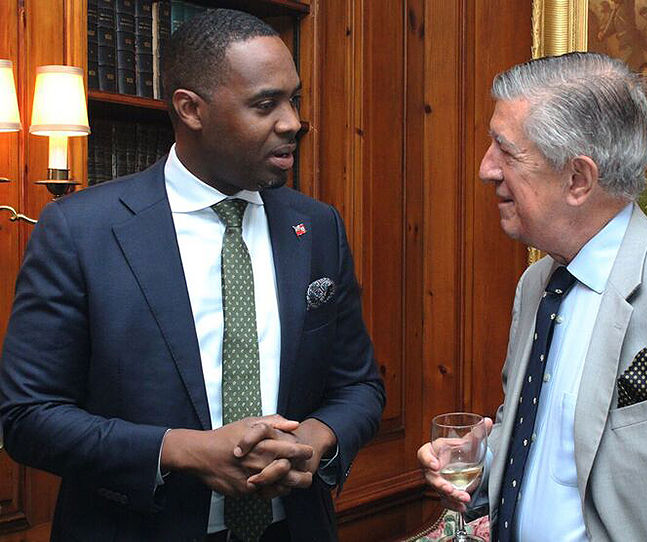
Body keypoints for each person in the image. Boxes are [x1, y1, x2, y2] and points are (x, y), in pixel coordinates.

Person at [0, 9, 385, 542]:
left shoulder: (316, 227)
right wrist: (178, 451)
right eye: (265, 104)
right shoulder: (80, 230)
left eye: (293, 99)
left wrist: (319, 437)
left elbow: (358, 385)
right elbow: (28, 417)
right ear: (190, 109)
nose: (292, 121)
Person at [418, 52, 647, 541]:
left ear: (578, 180)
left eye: (506, 150)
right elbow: (547, 441)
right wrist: (482, 461)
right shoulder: (536, 285)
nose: (486, 169)